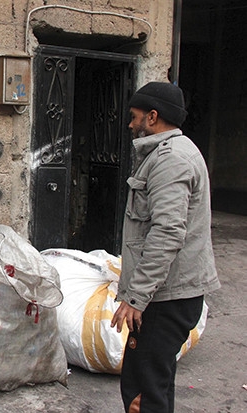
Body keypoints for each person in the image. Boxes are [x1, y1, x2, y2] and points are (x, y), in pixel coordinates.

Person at [111, 81, 221, 413]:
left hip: (167, 298)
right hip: (170, 293)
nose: (130, 124)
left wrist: (136, 297)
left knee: (142, 390)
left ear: (153, 117)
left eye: (134, 116)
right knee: (155, 382)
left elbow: (167, 233)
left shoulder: (171, 160)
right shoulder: (169, 154)